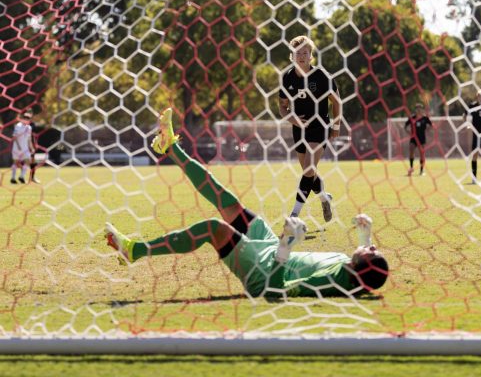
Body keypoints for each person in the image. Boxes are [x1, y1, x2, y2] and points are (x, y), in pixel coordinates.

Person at [105, 108, 388, 298]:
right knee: (225, 199)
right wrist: (365, 236)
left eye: (372, 253)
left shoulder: (332, 282)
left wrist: (286, 245)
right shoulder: (349, 270)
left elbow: (276, 291)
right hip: (266, 248)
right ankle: (171, 146)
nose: (374, 248)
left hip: (261, 273)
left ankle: (134, 250)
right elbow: (363, 274)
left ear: (361, 266)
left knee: (214, 228)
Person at [278, 36, 342, 222]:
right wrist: (293, 119)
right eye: (298, 52)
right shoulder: (287, 78)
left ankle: (294, 215)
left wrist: (336, 125)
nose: (301, 56)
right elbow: (282, 107)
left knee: (308, 169)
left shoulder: (321, 76)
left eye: (305, 52)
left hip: (319, 126)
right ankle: (324, 198)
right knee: (310, 172)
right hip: (299, 129)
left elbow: (336, 101)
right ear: (292, 56)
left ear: (311, 56)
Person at [10, 110, 39, 184]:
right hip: (17, 148)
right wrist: (19, 146)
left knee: (28, 161)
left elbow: (29, 139)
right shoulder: (18, 125)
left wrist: (31, 147)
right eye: (26, 117)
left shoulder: (29, 127)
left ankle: (21, 177)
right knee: (16, 163)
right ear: (23, 118)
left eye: (28, 118)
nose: (27, 119)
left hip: (25, 149)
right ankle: (13, 178)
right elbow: (14, 137)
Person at [404, 103, 432, 176]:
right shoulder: (412, 118)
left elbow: (431, 125)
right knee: (411, 150)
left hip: (421, 138)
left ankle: (421, 171)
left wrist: (427, 130)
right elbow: (405, 126)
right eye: (417, 108)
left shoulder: (425, 118)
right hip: (413, 138)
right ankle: (411, 168)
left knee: (422, 154)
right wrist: (409, 132)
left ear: (422, 110)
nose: (418, 110)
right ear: (415, 110)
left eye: (420, 108)